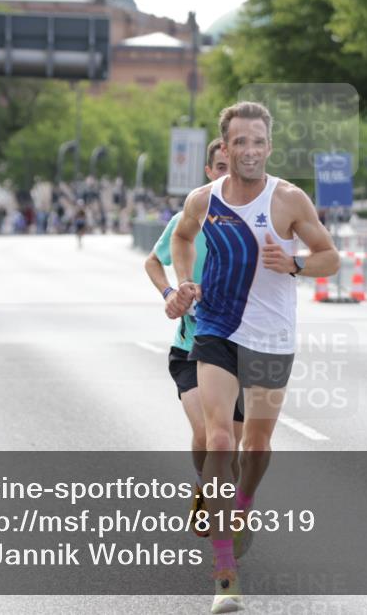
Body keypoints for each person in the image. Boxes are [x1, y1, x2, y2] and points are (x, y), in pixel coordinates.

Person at [169, 102, 340, 613]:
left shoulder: (288, 199)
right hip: (217, 330)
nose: (249, 151)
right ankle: (225, 574)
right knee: (220, 438)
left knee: (257, 447)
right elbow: (181, 236)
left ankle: (241, 506)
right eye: (239, 142)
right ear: (224, 146)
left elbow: (330, 257)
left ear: (269, 146)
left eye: (258, 142)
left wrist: (295, 263)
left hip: (272, 338)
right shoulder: (204, 199)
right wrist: (185, 283)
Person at [145, 138, 244, 536]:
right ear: (209, 172)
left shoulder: (258, 219)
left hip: (240, 347)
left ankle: (229, 502)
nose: (228, 174)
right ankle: (206, 488)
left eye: (234, 167)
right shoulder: (191, 215)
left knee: (230, 444)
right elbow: (154, 262)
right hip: (190, 346)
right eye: (220, 167)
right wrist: (170, 292)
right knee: (206, 433)